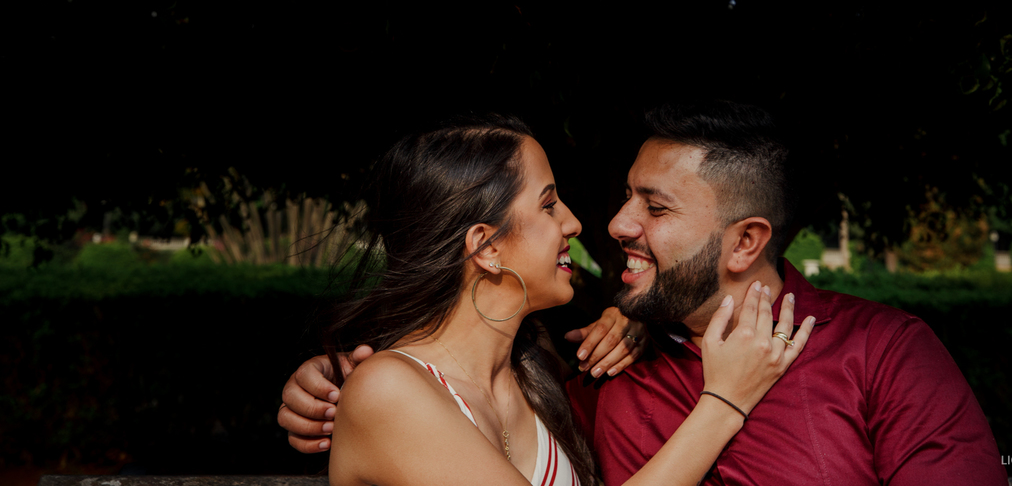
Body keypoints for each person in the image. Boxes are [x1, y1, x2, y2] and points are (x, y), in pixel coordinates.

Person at [282, 103, 1009, 485]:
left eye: (654, 208)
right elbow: (421, 397)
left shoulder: (885, 356)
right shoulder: (602, 373)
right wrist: (341, 386)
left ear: (746, 242)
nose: (610, 224)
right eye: (626, 196)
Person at [308, 115, 814, 486]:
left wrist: (640, 319)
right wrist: (724, 401)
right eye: (549, 205)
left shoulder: (536, 371)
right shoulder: (388, 390)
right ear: (486, 247)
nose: (573, 223)